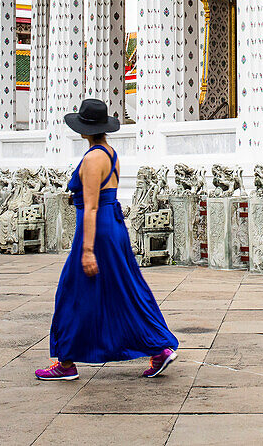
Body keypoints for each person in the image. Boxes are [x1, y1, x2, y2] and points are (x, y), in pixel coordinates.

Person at [36, 98, 178, 381]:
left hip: (96, 231)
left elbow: (90, 206)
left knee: (70, 292)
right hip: (113, 227)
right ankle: (158, 347)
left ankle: (66, 363)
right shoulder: (110, 153)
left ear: (84, 129)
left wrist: (87, 251)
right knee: (125, 288)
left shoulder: (92, 159)